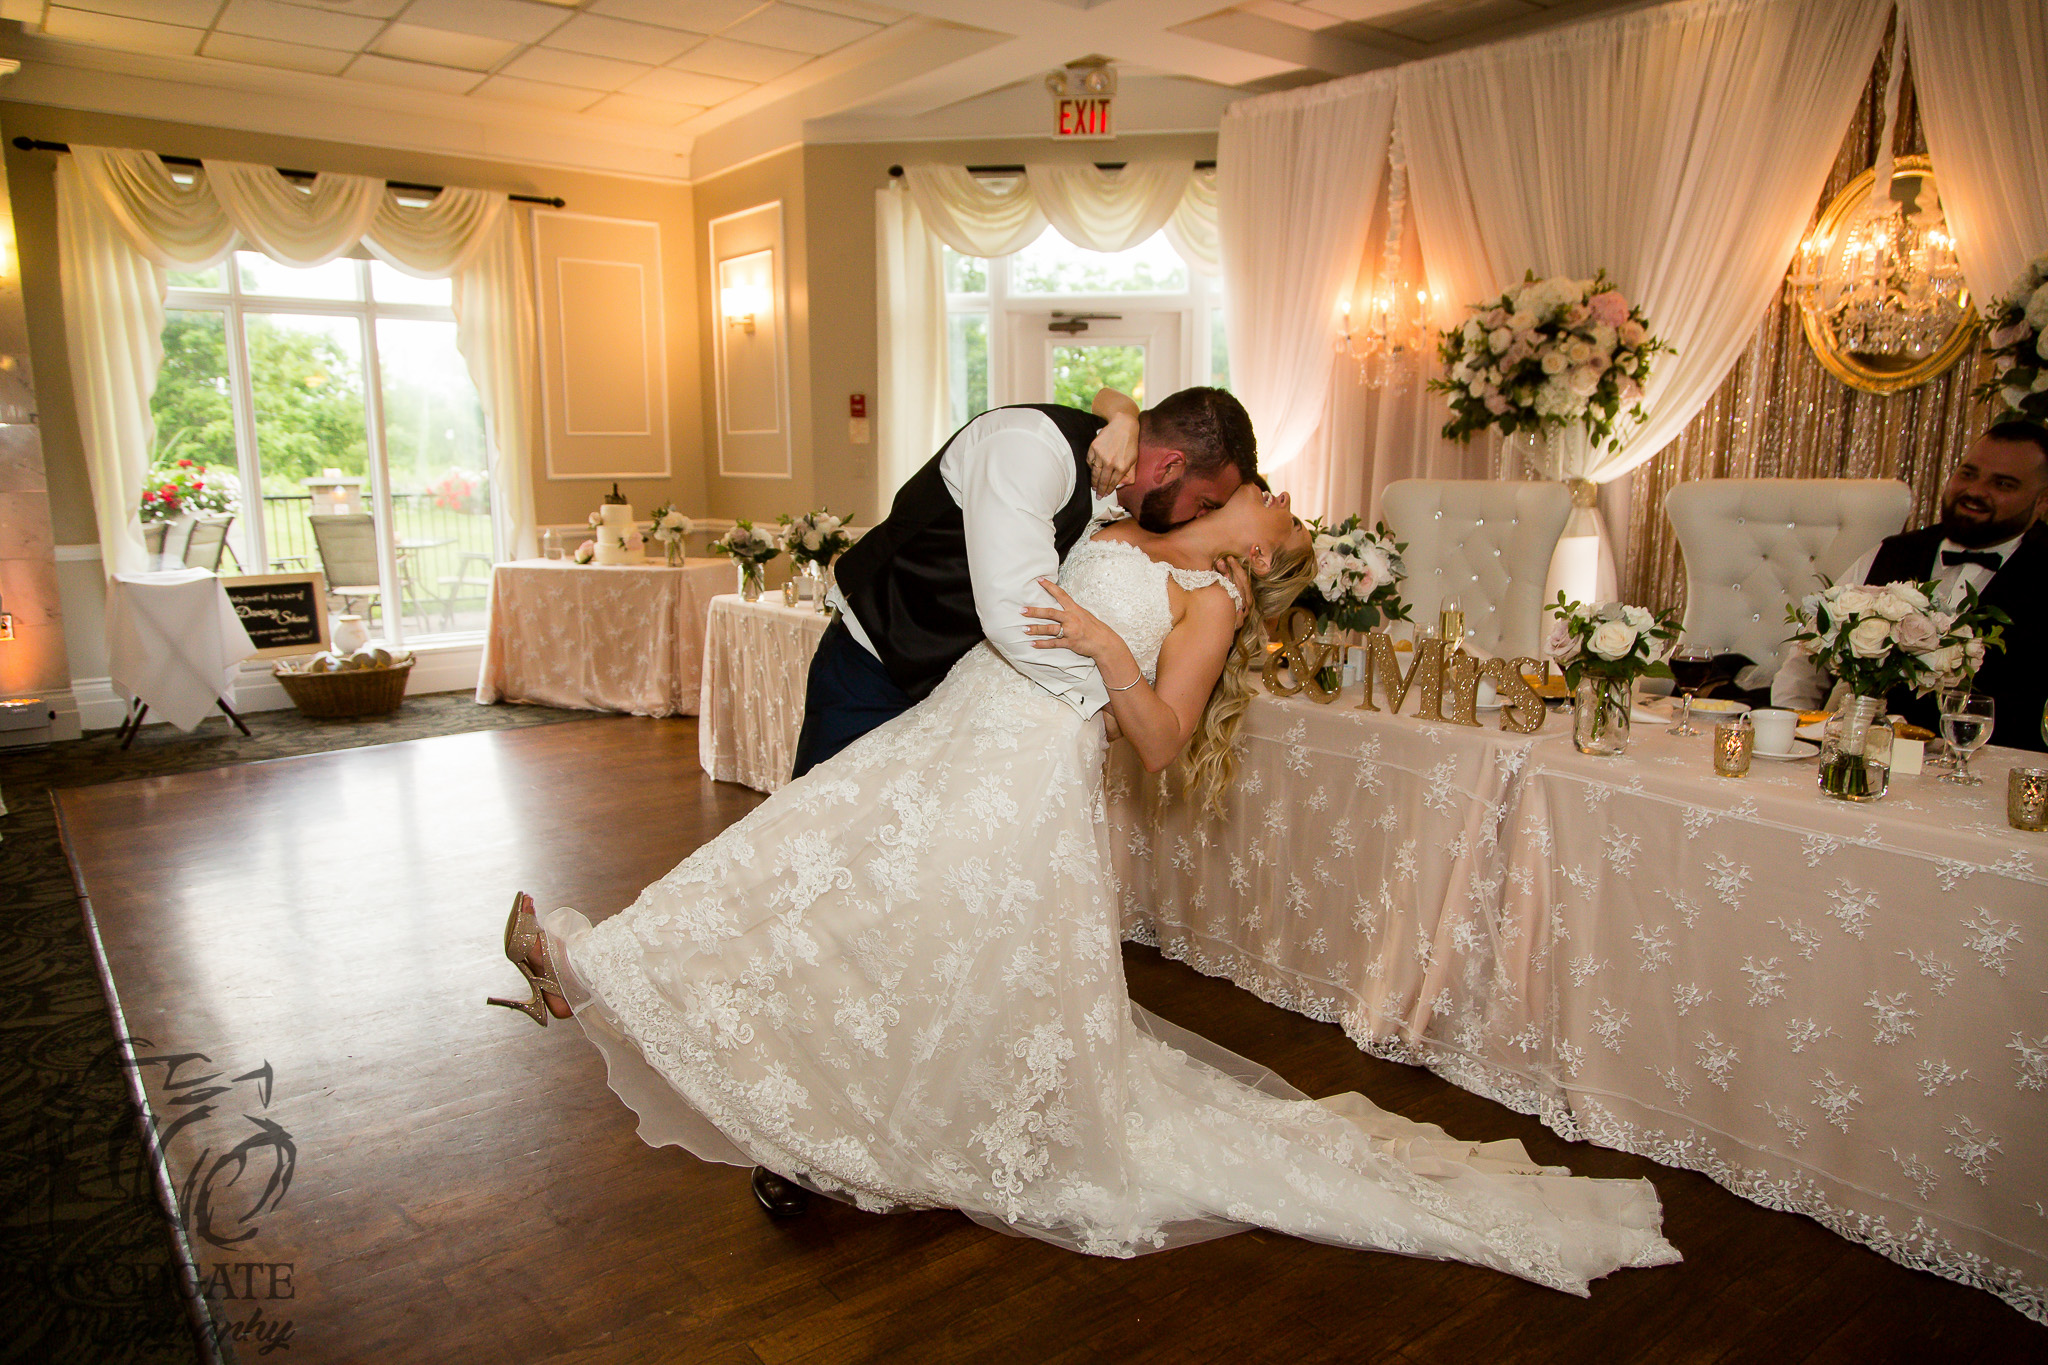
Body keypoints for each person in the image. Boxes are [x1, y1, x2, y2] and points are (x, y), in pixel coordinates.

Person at [487, 485, 1680, 1294]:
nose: (1267, 491)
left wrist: (1113, 654)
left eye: (1273, 504)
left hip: (1021, 782)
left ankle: (596, 978)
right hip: (946, 733)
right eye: (1262, 483)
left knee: (867, 908)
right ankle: (598, 972)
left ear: (1259, 551)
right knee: (803, 859)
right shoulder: (1128, 528)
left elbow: (1160, 742)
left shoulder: (1206, 603)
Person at [789, 386, 1258, 782]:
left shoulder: (1132, 497)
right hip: (873, 666)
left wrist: (1223, 584)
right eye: (1205, 502)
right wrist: (1107, 703)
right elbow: (1017, 615)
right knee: (814, 847)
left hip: (953, 698)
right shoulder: (1027, 449)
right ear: (1170, 467)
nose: (1202, 517)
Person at [1772, 419, 2047, 751]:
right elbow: (1808, 654)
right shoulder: (1891, 553)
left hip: (1990, 782)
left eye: (2003, 484)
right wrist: (1791, 731)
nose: (1975, 491)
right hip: (1872, 761)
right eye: (1968, 474)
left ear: (2042, 501)